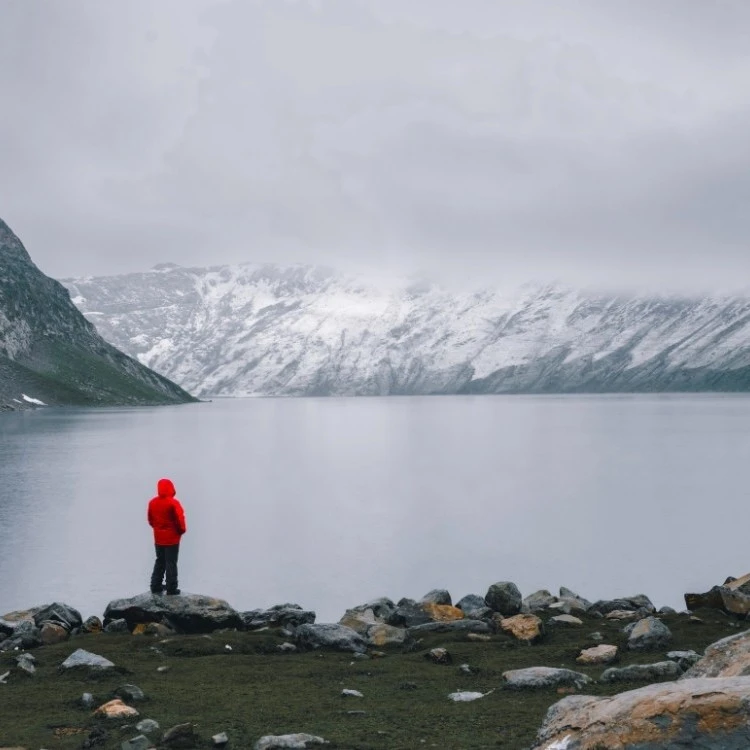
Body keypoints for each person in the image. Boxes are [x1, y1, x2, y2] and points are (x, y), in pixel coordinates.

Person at [147, 477, 187, 595]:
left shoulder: (152, 502)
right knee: (171, 563)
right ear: (171, 488)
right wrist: (181, 531)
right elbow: (180, 520)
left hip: (158, 538)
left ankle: (155, 586)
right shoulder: (173, 503)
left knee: (160, 561)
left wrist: (157, 529)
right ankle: (171, 588)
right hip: (172, 539)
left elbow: (150, 520)